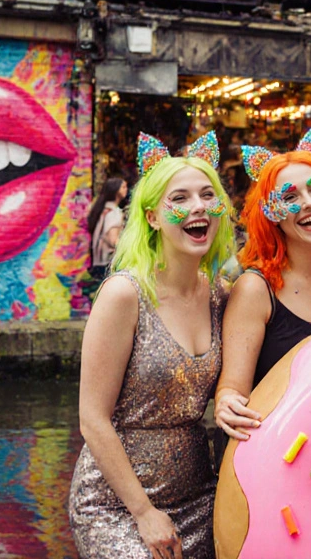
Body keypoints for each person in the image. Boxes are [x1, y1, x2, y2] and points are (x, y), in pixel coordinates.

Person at [69, 132, 235, 559]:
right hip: (118, 504)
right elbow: (92, 418)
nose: (197, 206)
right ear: (153, 217)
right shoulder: (125, 295)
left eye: (206, 195)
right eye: (179, 198)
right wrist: (143, 512)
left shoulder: (221, 295)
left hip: (200, 496)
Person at [214, 126, 311, 443]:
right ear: (271, 213)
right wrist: (226, 403)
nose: (308, 203)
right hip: (280, 451)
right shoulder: (254, 290)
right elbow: (233, 389)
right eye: (290, 197)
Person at [87, 177, 128, 283]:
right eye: (123, 187)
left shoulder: (102, 209)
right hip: (108, 262)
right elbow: (113, 240)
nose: (126, 189)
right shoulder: (113, 212)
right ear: (115, 190)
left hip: (98, 261)